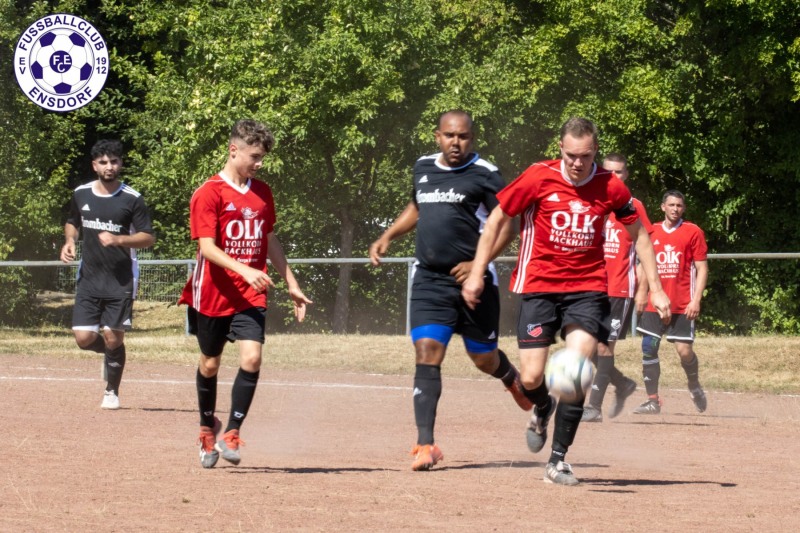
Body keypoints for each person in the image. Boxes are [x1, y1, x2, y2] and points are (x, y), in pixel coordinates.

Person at [462, 117, 671, 486]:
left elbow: (638, 234)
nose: (578, 163)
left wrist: (655, 287)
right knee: (530, 378)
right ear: (560, 148)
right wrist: (479, 269)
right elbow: (497, 218)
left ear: (596, 152)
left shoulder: (610, 187)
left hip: (587, 289)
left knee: (575, 371)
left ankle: (558, 461)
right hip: (539, 286)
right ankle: (542, 407)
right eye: (571, 155)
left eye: (586, 156)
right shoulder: (537, 176)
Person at [369, 110, 528, 472]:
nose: (456, 143)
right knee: (427, 350)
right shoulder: (423, 166)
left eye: (464, 137)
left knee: (482, 358)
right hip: (429, 278)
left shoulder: (485, 173)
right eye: (450, 136)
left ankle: (509, 378)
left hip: (475, 282)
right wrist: (387, 236)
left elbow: (509, 222)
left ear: (472, 138)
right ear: (437, 136)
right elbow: (417, 206)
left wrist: (476, 264)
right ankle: (425, 444)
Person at [178, 119, 312, 469]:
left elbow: (269, 240)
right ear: (233, 150)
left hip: (250, 295)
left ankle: (232, 432)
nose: (259, 163)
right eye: (254, 156)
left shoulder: (263, 192)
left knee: (252, 358)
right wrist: (245, 269)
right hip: (212, 293)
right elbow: (207, 248)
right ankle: (208, 428)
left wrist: (291, 283)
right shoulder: (208, 192)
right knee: (210, 364)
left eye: (263, 157)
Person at [60, 139, 156, 410]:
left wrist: (120, 240)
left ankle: (111, 391)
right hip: (89, 278)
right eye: (103, 162)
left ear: (120, 163)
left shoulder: (132, 198)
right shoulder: (81, 193)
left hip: (121, 279)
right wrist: (69, 241)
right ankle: (111, 355)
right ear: (95, 165)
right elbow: (72, 221)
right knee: (84, 339)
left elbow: (148, 237)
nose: (109, 166)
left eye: (114, 161)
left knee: (114, 336)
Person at [582, 153, 651, 422]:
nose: (613, 177)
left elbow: (647, 251)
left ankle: (594, 407)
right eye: (608, 171)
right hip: (590, 286)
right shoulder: (592, 202)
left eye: (619, 172)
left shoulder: (634, 206)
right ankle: (622, 383)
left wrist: (644, 289)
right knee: (584, 344)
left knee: (603, 348)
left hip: (619, 288)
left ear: (627, 175)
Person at [633, 190, 709, 415]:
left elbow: (702, 268)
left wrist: (696, 300)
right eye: (671, 205)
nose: (675, 209)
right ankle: (652, 400)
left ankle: (694, 385)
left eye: (679, 205)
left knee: (684, 352)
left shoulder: (692, 231)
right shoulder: (651, 231)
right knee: (648, 347)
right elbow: (645, 266)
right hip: (654, 303)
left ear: (683, 208)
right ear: (662, 207)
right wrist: (641, 293)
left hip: (682, 303)